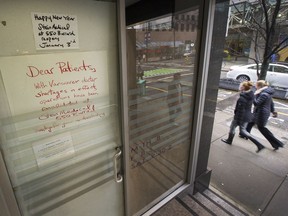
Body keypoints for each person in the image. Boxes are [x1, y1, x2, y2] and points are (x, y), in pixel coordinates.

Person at [221, 81, 265, 153]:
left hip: (240, 116)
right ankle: (259, 145)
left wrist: (238, 120)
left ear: (243, 87)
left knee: (233, 128)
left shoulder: (243, 98)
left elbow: (241, 110)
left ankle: (229, 140)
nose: (239, 86)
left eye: (241, 85)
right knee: (243, 130)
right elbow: (255, 103)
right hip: (247, 116)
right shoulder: (251, 94)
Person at [244, 80, 284, 150]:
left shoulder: (263, 94)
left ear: (259, 86)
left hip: (261, 114)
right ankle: (245, 134)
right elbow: (271, 103)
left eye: (256, 85)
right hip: (259, 112)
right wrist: (273, 111)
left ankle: (277, 144)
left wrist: (253, 95)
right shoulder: (266, 92)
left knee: (262, 128)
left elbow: (256, 103)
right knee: (250, 122)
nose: (255, 87)